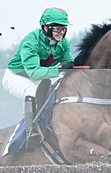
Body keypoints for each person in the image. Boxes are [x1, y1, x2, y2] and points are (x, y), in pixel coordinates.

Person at [2, 7, 75, 142]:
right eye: (57, 28)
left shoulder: (63, 43)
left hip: (42, 75)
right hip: (16, 76)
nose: (61, 32)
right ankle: (31, 131)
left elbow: (68, 63)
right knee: (33, 92)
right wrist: (59, 68)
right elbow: (34, 73)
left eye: (64, 28)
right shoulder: (31, 42)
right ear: (46, 28)